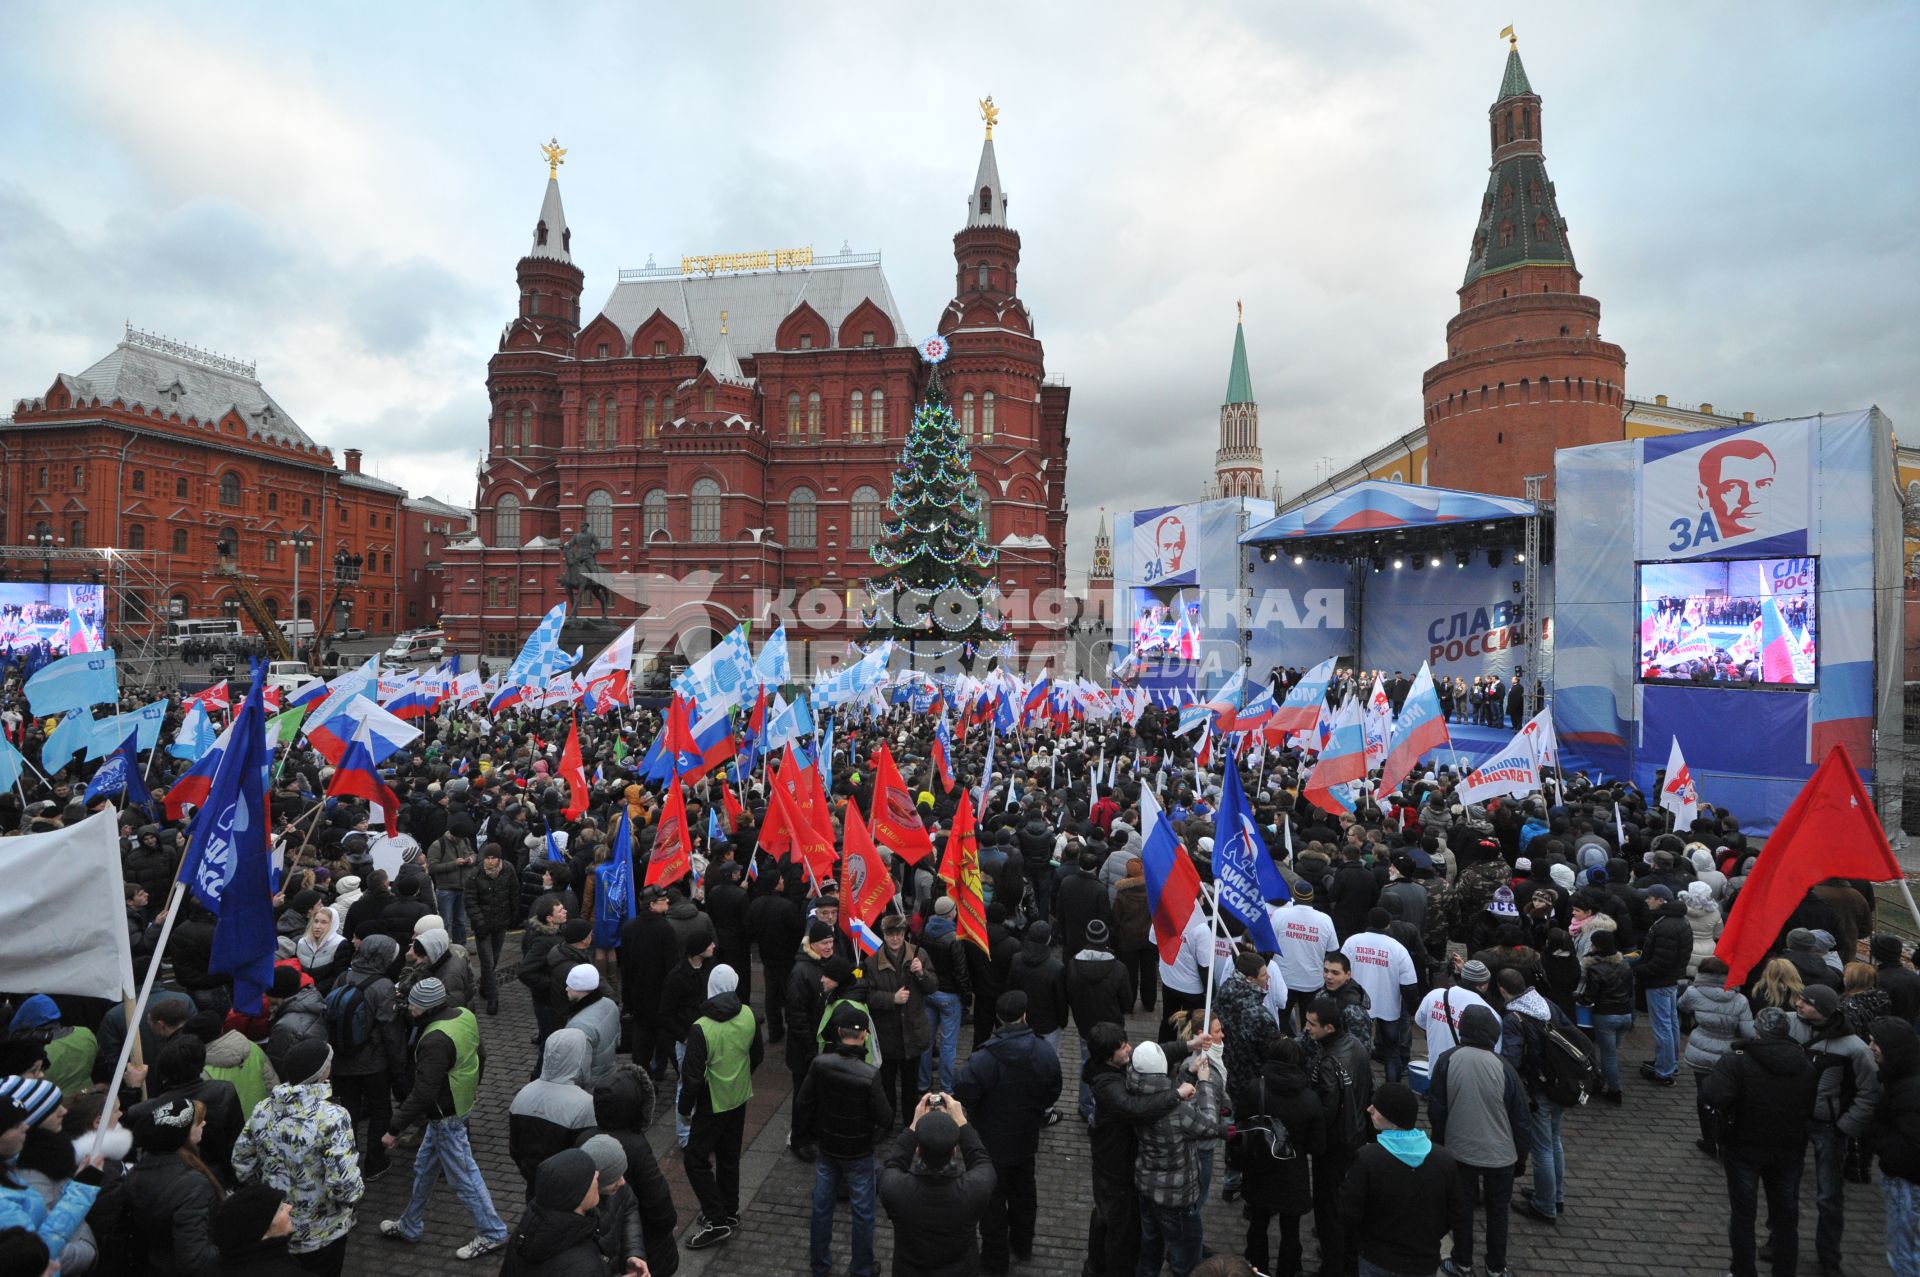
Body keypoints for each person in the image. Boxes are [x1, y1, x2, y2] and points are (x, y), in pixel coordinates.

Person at [378, 977, 509, 1261]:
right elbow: (480, 1055)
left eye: (412, 1004)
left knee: (465, 1177)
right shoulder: (464, 1015)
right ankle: (410, 1224)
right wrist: (474, 1089)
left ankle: (493, 1232)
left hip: (445, 1115)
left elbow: (423, 1093)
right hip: (459, 1105)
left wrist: (394, 1128)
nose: (408, 1009)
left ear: (424, 1007)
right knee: (424, 1167)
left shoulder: (433, 1040)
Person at [231, 1038, 363, 1277]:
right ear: (323, 1071)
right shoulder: (332, 1116)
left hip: (276, 1227)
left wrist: (270, 1193)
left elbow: (241, 1163)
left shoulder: (263, 1108)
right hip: (322, 1233)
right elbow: (345, 1184)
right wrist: (349, 1204)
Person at [952, 991, 1062, 1275]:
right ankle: (1023, 1245)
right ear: (1024, 1015)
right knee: (1025, 1193)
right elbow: (1053, 1089)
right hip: (1026, 1139)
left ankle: (994, 1260)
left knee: (992, 1204)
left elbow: (965, 1092)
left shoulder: (982, 1058)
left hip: (990, 1142)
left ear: (998, 1018)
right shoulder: (1044, 1051)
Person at [1701, 1007, 1816, 1277]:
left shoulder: (1737, 1060)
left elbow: (1714, 1095)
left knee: (1743, 1215)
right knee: (1786, 1217)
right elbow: (1812, 1106)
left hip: (1745, 1146)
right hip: (1789, 1148)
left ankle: (1743, 1271)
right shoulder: (1805, 1065)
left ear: (1757, 1029)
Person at [1081, 1021, 1198, 1277]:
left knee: (1105, 1219)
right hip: (1114, 1170)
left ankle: (1095, 1267)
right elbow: (1134, 1109)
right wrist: (1176, 1095)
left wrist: (1190, 1045)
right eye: (1123, 1048)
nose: (1129, 1050)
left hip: (1114, 1164)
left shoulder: (1116, 1064)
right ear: (1107, 1056)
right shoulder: (1106, 1085)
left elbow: (1153, 1054)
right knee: (1119, 1231)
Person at [1429, 1005, 1530, 1277]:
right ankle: (1496, 1266)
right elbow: (1521, 1119)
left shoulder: (1447, 1060)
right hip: (1501, 1156)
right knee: (1499, 1212)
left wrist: (1438, 1148)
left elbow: (1437, 1110)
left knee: (1462, 1209)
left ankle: (1462, 1261)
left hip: (1459, 1152)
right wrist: (1521, 1157)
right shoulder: (1504, 1067)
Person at [794, 1004, 892, 1277]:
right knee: (863, 1212)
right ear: (863, 1037)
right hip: (859, 1153)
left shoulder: (820, 1064)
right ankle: (861, 1267)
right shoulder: (869, 1075)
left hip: (828, 1148)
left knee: (822, 1207)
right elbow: (885, 1116)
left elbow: (803, 1102)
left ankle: (820, 1264)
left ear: (838, 1033)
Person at [1338, 1081, 1470, 1277]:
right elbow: (1457, 1213)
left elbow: (1349, 1212)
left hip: (1376, 1258)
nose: (1369, 1109)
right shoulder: (1443, 1160)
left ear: (1392, 1117)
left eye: (1377, 1107)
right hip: (1422, 1261)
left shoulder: (1367, 1158)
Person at [1797, 982, 1881, 1275]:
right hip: (1792, 1122)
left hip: (1829, 1127)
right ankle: (1779, 1240)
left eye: (1805, 1002)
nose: (1798, 1004)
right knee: (1784, 1188)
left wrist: (1846, 1125)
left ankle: (1829, 1255)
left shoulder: (1854, 1048)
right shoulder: (1795, 1029)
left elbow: (1869, 1091)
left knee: (1829, 1197)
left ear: (1822, 1009)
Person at [679, 963, 763, 1251]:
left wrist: (683, 1108)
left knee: (695, 1159)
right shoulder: (749, 1014)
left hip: (711, 1101)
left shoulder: (702, 1027)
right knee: (729, 1157)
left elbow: (691, 1077)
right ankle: (729, 1210)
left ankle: (716, 1220)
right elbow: (758, 1055)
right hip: (739, 1096)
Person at [1129, 1037, 1227, 1277]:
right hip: (1176, 1198)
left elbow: (1168, 1095)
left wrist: (1189, 1077)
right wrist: (1204, 1084)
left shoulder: (1133, 1093)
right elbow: (1209, 1125)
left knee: (1150, 1247)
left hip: (1146, 1186)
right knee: (1187, 1256)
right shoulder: (1178, 1112)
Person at [1238, 1037, 1326, 1277]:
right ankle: (1288, 1269)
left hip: (1260, 1165)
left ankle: (1257, 1268)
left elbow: (1242, 1122)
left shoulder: (1256, 1088)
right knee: (1291, 1229)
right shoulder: (1310, 1098)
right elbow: (1317, 1145)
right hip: (1292, 1170)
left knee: (1258, 1224)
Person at [878, 1101, 995, 1277]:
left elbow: (894, 1163)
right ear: (954, 1151)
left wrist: (914, 1123)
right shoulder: (975, 1189)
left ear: (918, 1150)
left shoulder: (894, 1189)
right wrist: (961, 1121)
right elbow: (980, 1159)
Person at [1303, 993, 1372, 1277]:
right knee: (1347, 1206)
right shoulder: (1356, 1045)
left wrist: (1314, 1139)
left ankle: (1333, 1266)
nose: (1306, 1028)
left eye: (1311, 1024)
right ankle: (1348, 1258)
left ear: (1328, 1028)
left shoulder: (1329, 1062)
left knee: (1329, 1210)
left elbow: (1326, 1110)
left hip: (1335, 1146)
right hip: (1356, 1137)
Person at [326, 932, 403, 1181]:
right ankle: (375, 1162)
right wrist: (397, 1065)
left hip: (341, 1059)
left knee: (348, 1110)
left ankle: (348, 1160)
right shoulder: (383, 986)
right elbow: (389, 1032)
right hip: (372, 1062)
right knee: (381, 1110)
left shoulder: (342, 977)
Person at [1497, 967, 1570, 1226]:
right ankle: (1554, 1194)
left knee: (1541, 1148)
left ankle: (1545, 1206)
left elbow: (1512, 1059)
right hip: (1560, 1083)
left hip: (1538, 1088)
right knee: (1554, 1140)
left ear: (1503, 990)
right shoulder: (1546, 1004)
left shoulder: (1514, 1018)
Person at [122, 1097, 224, 1274]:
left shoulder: (137, 1172)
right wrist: (232, 1249)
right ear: (182, 1135)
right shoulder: (192, 1185)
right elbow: (194, 1258)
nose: (204, 1123)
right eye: (197, 1122)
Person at [0, 1093, 100, 1266]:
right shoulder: (4, 1203)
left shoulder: (10, 1169)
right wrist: (80, 1191)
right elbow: (34, 1255)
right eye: (15, 1125)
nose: (26, 1126)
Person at [1679, 955, 1754, 1157]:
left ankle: (1709, 1139)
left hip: (1700, 1049)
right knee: (1729, 1095)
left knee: (1704, 1095)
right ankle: (1726, 1136)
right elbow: (1749, 1033)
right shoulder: (1740, 1000)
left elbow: (1682, 1006)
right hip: (1728, 1054)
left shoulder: (1693, 992)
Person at [508, 1030, 598, 1196]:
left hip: (535, 1187)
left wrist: (532, 1176)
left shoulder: (523, 1095)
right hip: (569, 1192)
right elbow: (586, 1156)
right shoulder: (585, 1104)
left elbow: (514, 1148)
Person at [498, 1148, 613, 1277]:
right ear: (578, 1194)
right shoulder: (583, 1265)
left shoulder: (522, 1234)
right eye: (592, 1176)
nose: (597, 1175)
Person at [867, 914, 938, 1123]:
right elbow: (867, 995)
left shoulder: (920, 955)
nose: (895, 939)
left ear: (905, 933)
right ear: (884, 935)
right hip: (887, 1036)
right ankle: (887, 1122)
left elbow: (933, 986)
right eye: (890, 934)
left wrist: (921, 973)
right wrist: (892, 999)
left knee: (910, 1085)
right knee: (887, 1084)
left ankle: (910, 1122)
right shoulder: (871, 963)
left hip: (913, 1034)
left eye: (899, 933)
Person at [1067, 919, 1134, 1126]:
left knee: (1086, 1062)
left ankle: (1086, 1104)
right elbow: (1127, 1002)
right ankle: (1109, 1105)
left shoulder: (1072, 965)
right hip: (1113, 1028)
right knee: (1113, 1066)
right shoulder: (1119, 969)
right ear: (1106, 940)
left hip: (1085, 1026)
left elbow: (1069, 994)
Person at [1342, 908, 1421, 1084]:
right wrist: (1413, 1009)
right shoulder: (1397, 948)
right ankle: (1392, 1088)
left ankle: (1356, 1087)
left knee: (1354, 1050)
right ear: (1388, 924)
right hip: (1388, 1006)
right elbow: (1409, 985)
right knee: (1392, 1052)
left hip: (1357, 1005)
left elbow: (1340, 970)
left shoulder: (1352, 942)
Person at [1867, 1016, 1920, 1276]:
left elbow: (1911, 1145)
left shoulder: (1909, 1089)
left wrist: (1886, 1153)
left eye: (1876, 1042)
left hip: (1908, 1182)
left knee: (1906, 1252)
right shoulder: (1902, 1079)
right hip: (1906, 1179)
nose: (1870, 1046)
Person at [1632, 883, 1692, 1087]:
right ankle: (1669, 1063)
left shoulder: (1665, 925)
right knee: (1671, 1023)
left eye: (1650, 897)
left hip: (1659, 982)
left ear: (1661, 900)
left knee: (1662, 1026)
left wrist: (1638, 970)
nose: (1647, 900)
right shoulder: (1678, 921)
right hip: (1670, 980)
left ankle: (1664, 1071)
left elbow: (1661, 962)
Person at [920, 895, 973, 1096]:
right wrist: (966, 995)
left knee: (927, 1040)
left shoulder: (924, 931)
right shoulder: (954, 939)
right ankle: (947, 1087)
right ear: (952, 913)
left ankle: (923, 1082)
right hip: (949, 996)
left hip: (928, 992)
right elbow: (961, 971)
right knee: (948, 1044)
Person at [1575, 931, 1633, 1103]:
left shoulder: (1595, 969)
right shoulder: (1625, 965)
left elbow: (1589, 998)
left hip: (1606, 1015)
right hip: (1625, 1014)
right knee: (1612, 1053)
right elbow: (1630, 991)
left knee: (1608, 1056)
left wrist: (1577, 997)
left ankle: (1615, 1090)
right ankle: (1606, 1083)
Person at [466, 842, 520, 1016]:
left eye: (493, 858)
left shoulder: (508, 870)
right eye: (487, 858)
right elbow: (470, 901)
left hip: (501, 923)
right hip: (483, 926)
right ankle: (492, 997)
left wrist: (514, 916)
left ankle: (484, 986)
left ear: (499, 859)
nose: (490, 862)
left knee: (494, 957)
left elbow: (514, 892)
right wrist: (479, 923)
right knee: (487, 962)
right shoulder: (475, 875)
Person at [207, 1183, 306, 1276]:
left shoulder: (219, 1267)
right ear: (261, 1229)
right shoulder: (285, 1272)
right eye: (280, 1209)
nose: (290, 1207)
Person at [562, 965, 621, 1089]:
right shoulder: (609, 1004)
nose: (566, 988)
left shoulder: (579, 1026)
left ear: (579, 989)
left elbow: (580, 1072)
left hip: (591, 1088)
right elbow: (617, 1040)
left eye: (570, 985)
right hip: (609, 1075)